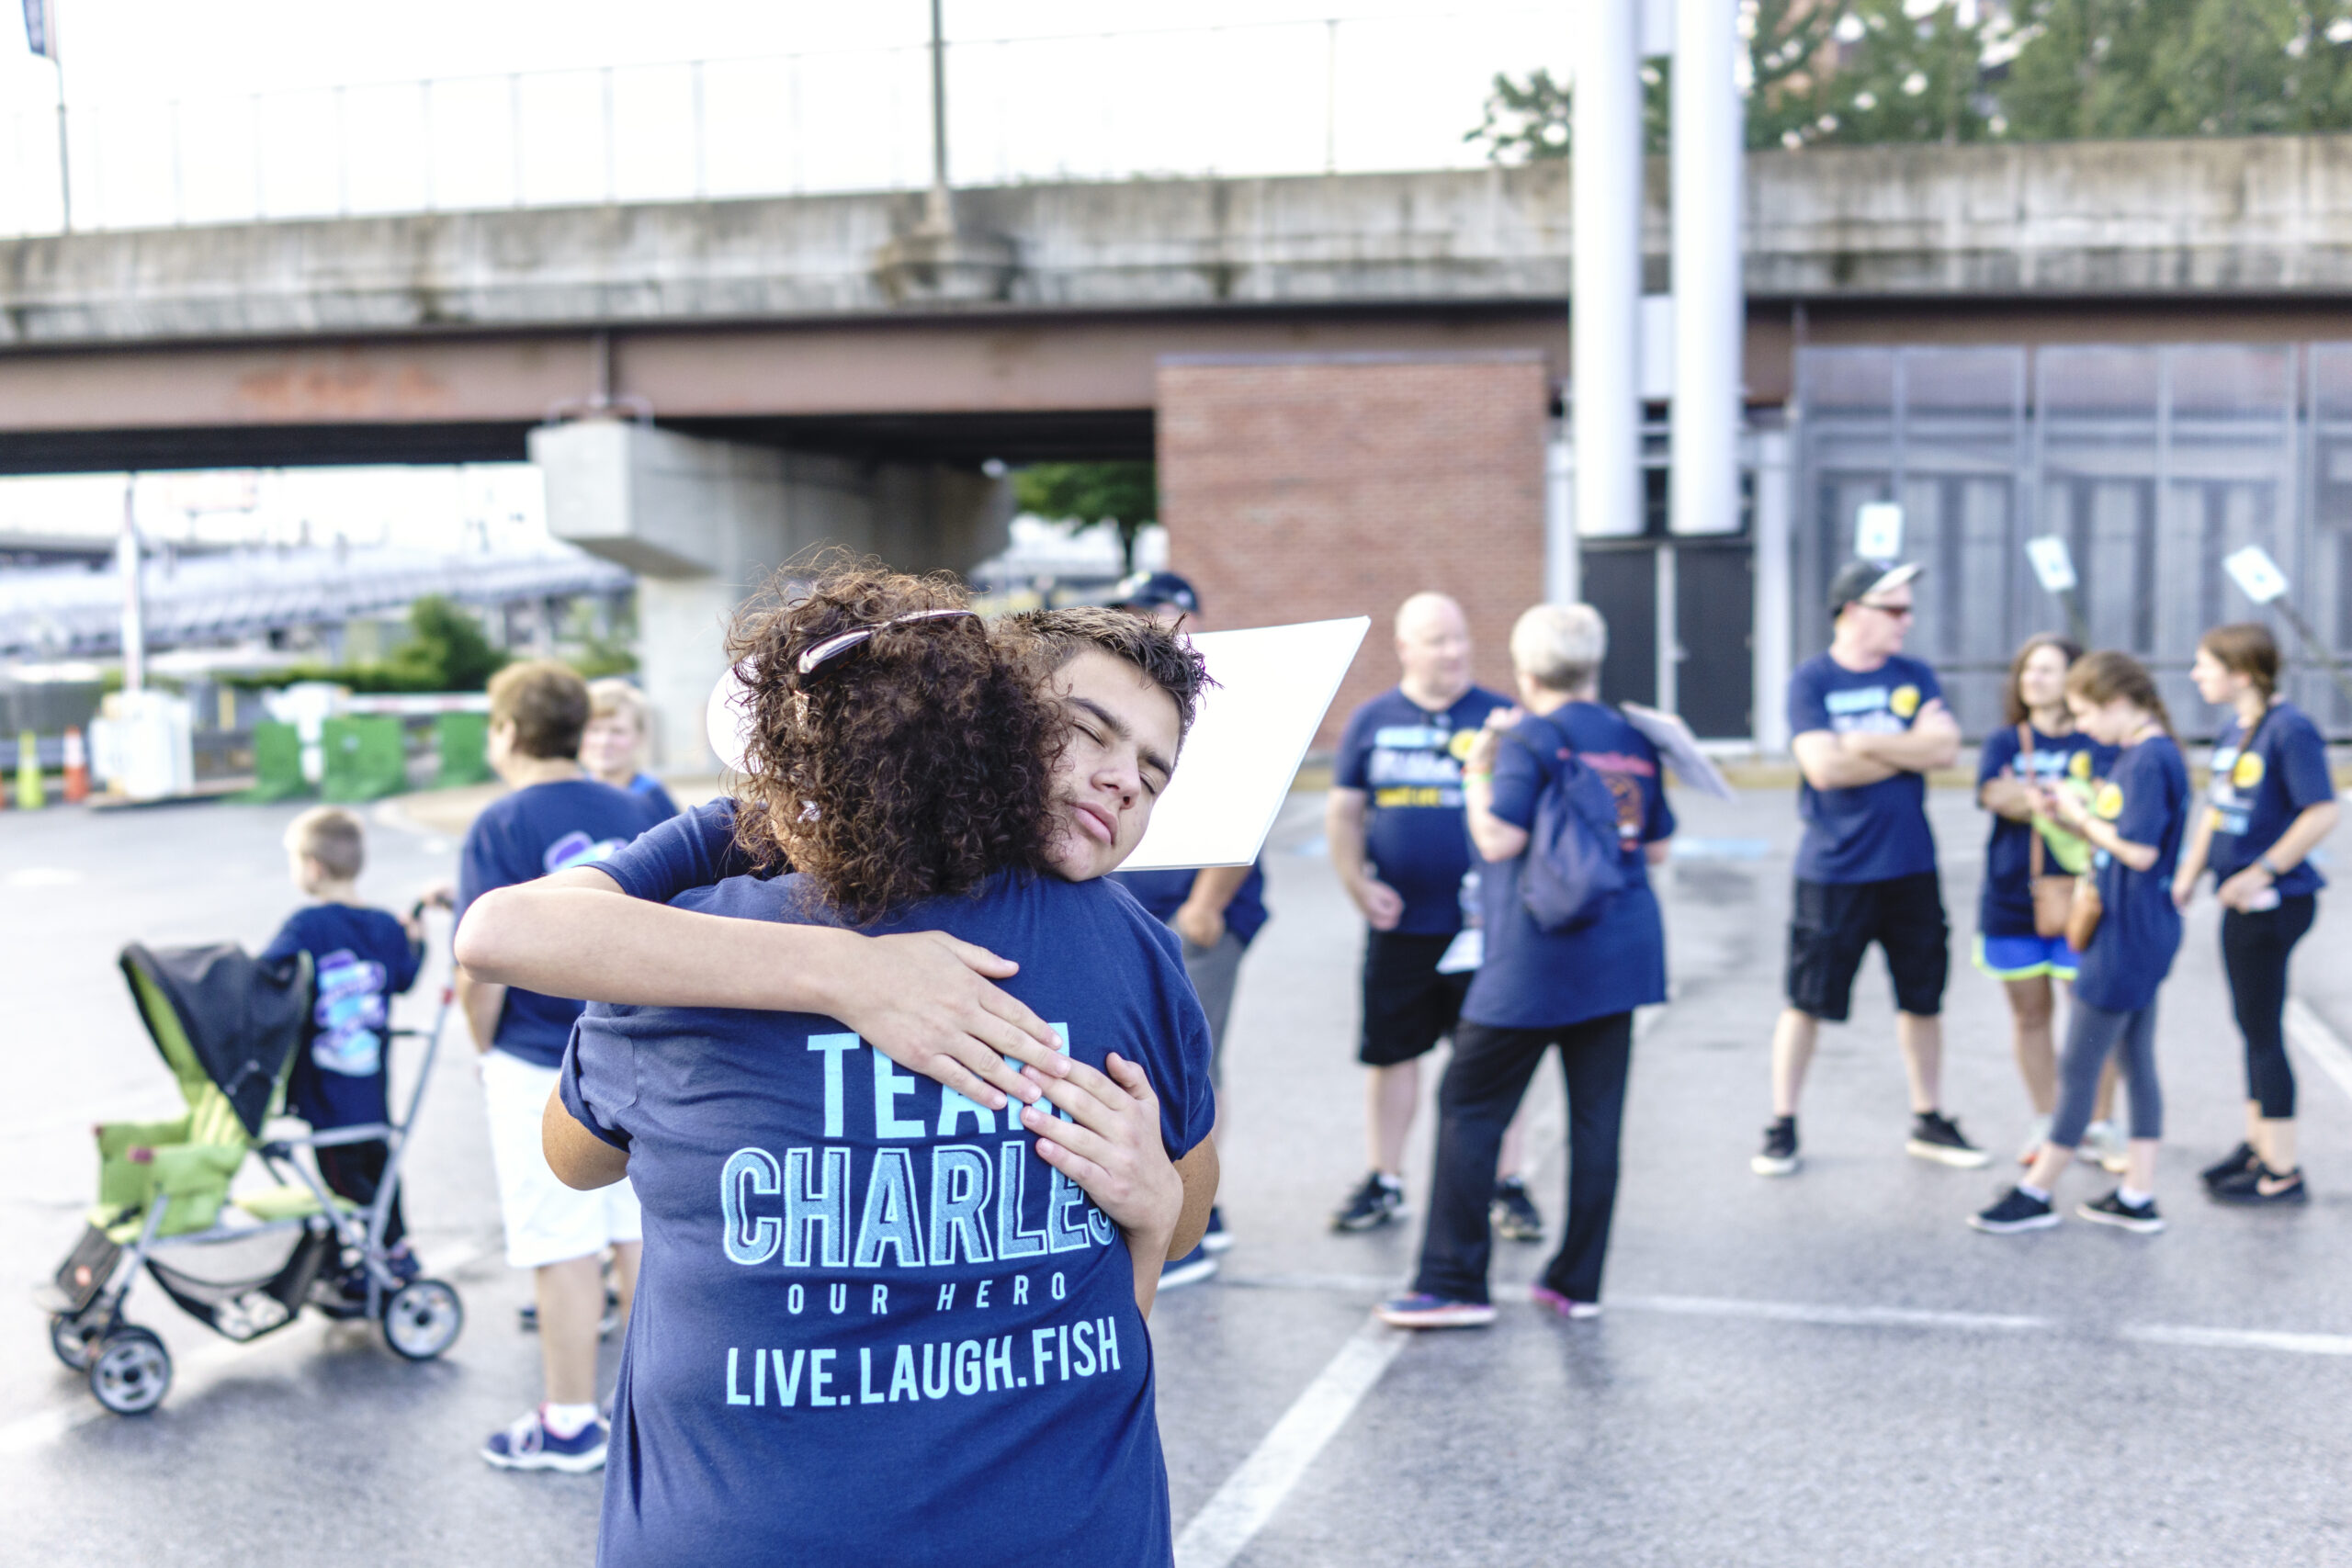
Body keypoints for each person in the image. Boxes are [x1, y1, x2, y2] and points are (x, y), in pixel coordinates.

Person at [541, 567, 1218, 1568]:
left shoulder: (672, 955)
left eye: (1155, 776)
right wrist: (1157, 1218)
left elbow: (573, 1158)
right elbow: (1184, 1215)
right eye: (1090, 732)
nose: (1124, 780)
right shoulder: (1128, 950)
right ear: (996, 722)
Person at [1377, 604, 1671, 1328]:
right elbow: (1656, 847)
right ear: (1593, 661)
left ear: (1526, 668)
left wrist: (1479, 765)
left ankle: (1453, 1280)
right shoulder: (1634, 738)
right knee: (1596, 1121)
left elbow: (1497, 837)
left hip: (1536, 957)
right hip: (1621, 952)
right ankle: (1578, 1281)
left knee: (1469, 1104)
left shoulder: (1527, 736)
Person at [454, 659, 664, 1472]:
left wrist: (482, 1047)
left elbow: (480, 966)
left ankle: (570, 1421)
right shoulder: (634, 806)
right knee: (635, 1231)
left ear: (507, 731)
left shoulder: (500, 822)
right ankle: (647, 1409)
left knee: (561, 1240)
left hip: (538, 1059)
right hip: (630, 1044)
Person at [1756, 559, 1984, 1178]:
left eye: (1909, 608)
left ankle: (1928, 1116)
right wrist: (1907, 749)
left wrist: (1862, 743)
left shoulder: (1914, 674)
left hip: (1909, 865)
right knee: (1806, 1000)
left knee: (1922, 998)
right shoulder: (1813, 680)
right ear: (1853, 611)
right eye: (1895, 609)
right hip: (1834, 870)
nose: (1907, 621)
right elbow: (1824, 769)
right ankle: (1782, 1122)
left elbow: (1946, 749)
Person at [1328, 591, 1542, 1239]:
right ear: (1405, 648)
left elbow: (1529, 815)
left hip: (1487, 930)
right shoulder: (1372, 720)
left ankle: (1507, 1183)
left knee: (1496, 1059)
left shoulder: (1500, 719)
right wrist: (1358, 884)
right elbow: (1345, 813)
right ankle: (1385, 1178)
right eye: (1437, 640)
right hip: (1401, 927)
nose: (1454, 652)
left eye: (1459, 637)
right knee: (1392, 1055)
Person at [1973, 651, 2188, 1235]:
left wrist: (2079, 818)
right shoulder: (2153, 753)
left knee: (2080, 1064)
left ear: (2116, 703)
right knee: (2136, 1060)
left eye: (2087, 714)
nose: (2084, 728)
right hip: (2143, 929)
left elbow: (2138, 851)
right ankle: (2138, 1194)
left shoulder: (2147, 760)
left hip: (2124, 936)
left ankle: (2037, 1191)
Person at [1103, 570, 1264, 1281]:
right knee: (1137, 1060)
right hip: (1132, 906)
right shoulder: (1131, 692)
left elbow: (1249, 803)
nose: (1150, 624)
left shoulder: (1217, 702)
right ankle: (1163, 1207)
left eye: (1163, 612)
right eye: (1136, 611)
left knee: (1188, 1063)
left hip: (1192, 914)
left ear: (1193, 618)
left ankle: (1198, 1217)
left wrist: (1208, 903)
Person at [2176, 623, 2340, 1205]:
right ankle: (2258, 1145)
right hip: (2239, 900)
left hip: (2271, 903)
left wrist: (2262, 871)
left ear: (2242, 673)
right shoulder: (2234, 730)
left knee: (2263, 1030)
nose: (2196, 674)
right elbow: (2217, 812)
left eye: (2206, 664)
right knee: (2251, 1025)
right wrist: (2190, 874)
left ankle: (2283, 1170)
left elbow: (2321, 811)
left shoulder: (2289, 729)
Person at [1973, 634, 2126, 1170]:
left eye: (2046, 670)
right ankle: (2047, 1120)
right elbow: (1993, 794)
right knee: (2030, 1015)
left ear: (2076, 678)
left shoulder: (2097, 741)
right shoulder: (2005, 741)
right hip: (2012, 897)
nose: (2032, 679)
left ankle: (2099, 1124)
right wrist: (2059, 802)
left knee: (2092, 1014)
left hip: (2085, 899)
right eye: (2026, 670)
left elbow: (2109, 805)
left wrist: (2033, 799)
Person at [261, 806, 427, 1280]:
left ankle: (376, 1255)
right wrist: (417, 941)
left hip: (326, 1091)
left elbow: (267, 976)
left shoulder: (305, 927)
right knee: (380, 1167)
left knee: (340, 1177)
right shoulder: (386, 926)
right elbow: (404, 978)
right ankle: (395, 1245)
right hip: (371, 1087)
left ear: (313, 867)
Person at [582, 677, 680, 822]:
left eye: (617, 731)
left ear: (640, 736)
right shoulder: (572, 796)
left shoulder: (653, 801)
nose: (604, 741)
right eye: (594, 730)